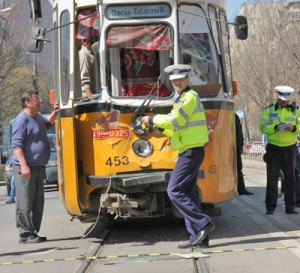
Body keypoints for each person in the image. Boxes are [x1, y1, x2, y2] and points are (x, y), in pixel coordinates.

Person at [142, 64, 214, 249]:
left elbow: (174, 120)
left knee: (174, 190)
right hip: (189, 151)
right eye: (174, 81)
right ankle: (198, 237)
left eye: (180, 79)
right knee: (188, 193)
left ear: (187, 79)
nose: (177, 83)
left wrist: (151, 119)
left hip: (191, 152)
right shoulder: (182, 99)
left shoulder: (189, 97)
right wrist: (157, 127)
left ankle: (203, 223)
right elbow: (176, 128)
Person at [12, 90, 59, 244]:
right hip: (26, 169)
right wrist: (24, 166)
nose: (39, 102)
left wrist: (54, 112)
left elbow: (47, 124)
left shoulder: (37, 117)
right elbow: (16, 146)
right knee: (24, 203)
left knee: (37, 203)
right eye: (36, 100)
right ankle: (25, 234)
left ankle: (32, 232)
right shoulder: (21, 120)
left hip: (39, 168)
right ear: (27, 102)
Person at [259, 85, 300, 215]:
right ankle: (270, 208)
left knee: (290, 178)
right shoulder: (268, 110)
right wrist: (275, 127)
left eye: (286, 100)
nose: (284, 102)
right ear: (277, 97)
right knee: (272, 178)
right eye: (282, 99)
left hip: (290, 148)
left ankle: (290, 207)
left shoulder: (296, 111)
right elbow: (263, 127)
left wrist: (292, 128)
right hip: (274, 147)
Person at [235, 114, 254, 195]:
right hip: (228, 147)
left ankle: (241, 189)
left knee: (238, 168)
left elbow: (239, 133)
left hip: (236, 147)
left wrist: (240, 146)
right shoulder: (229, 116)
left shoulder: (234, 116)